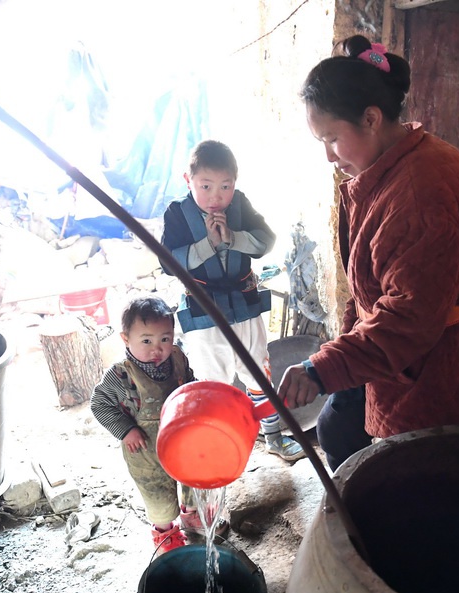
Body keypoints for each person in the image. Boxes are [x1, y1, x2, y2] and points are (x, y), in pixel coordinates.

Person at [277, 36, 459, 471]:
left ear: (371, 118)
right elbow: (371, 287)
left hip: (433, 379)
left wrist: (322, 368)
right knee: (339, 429)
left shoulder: (422, 192)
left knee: (435, 495)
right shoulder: (393, 168)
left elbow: (408, 320)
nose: (328, 156)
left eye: (332, 138)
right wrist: (337, 355)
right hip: (394, 355)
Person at [160, 139, 305, 462]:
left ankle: (273, 436)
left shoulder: (238, 205)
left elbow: (266, 240)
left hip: (245, 308)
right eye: (206, 186)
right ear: (188, 181)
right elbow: (168, 263)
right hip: (204, 314)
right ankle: (219, 444)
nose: (216, 196)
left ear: (235, 184)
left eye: (225, 186)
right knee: (214, 383)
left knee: (258, 374)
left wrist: (233, 239)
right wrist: (208, 245)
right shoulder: (177, 214)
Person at [90, 296, 226, 553]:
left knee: (192, 480)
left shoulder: (177, 357)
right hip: (146, 450)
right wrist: (126, 429)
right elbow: (99, 404)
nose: (157, 349)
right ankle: (166, 534)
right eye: (146, 341)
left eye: (165, 338)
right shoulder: (121, 375)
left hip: (182, 441)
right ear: (125, 339)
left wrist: (198, 397)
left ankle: (192, 515)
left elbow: (188, 382)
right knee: (157, 496)